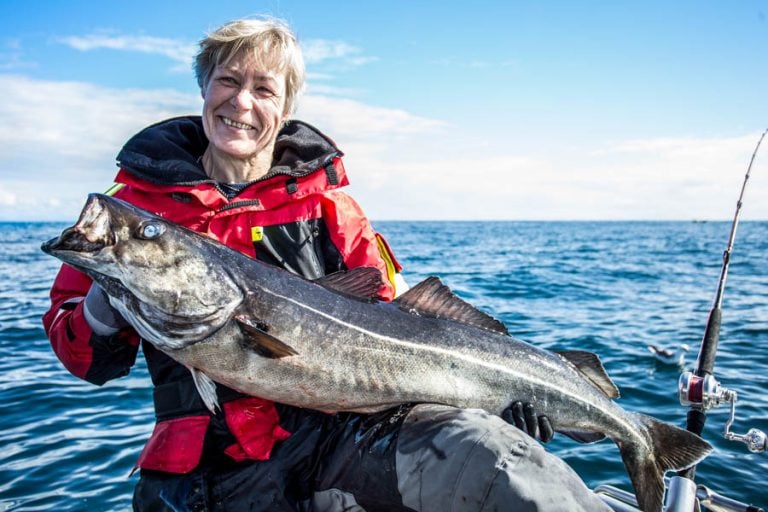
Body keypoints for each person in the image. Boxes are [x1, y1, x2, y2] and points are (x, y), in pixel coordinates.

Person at [43, 17, 611, 512]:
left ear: (285, 107)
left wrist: (495, 398)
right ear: (204, 89)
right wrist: (106, 292)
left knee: (499, 458)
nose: (242, 103)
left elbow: (401, 327)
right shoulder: (137, 207)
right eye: (228, 81)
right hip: (204, 470)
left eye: (263, 89)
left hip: (341, 439)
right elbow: (85, 360)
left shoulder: (327, 204)